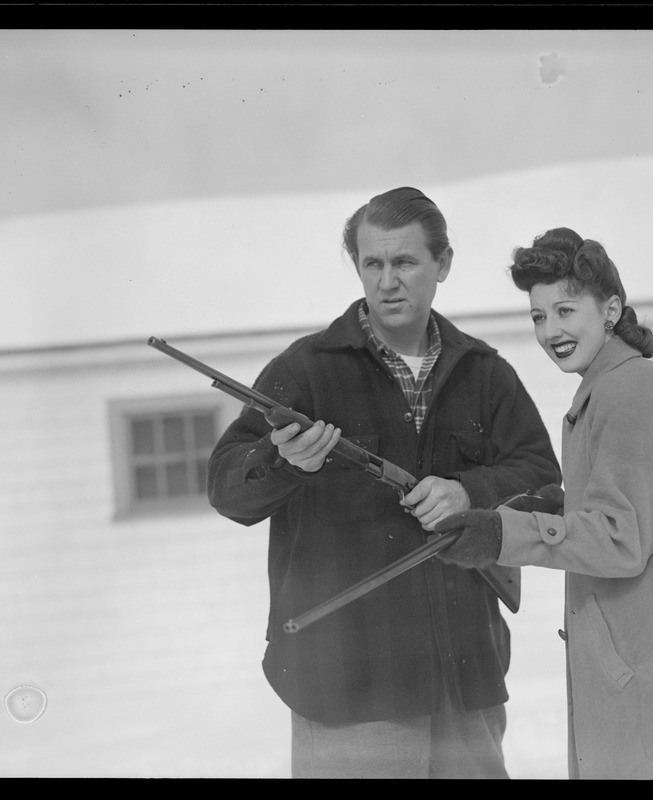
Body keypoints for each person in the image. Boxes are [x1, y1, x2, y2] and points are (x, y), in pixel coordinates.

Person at [207, 187, 560, 779]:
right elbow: (226, 488)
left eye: (405, 262)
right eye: (373, 264)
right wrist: (286, 459)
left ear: (442, 265)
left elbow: (543, 480)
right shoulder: (304, 369)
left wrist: (469, 490)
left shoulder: (485, 373)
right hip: (347, 688)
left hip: (462, 679)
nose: (387, 281)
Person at [434, 228, 653, 780]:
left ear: (611, 309)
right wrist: (554, 510)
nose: (551, 332)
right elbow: (628, 513)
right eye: (538, 316)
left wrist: (504, 534)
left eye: (565, 310)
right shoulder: (606, 391)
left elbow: (622, 539)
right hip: (651, 683)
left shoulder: (630, 390)